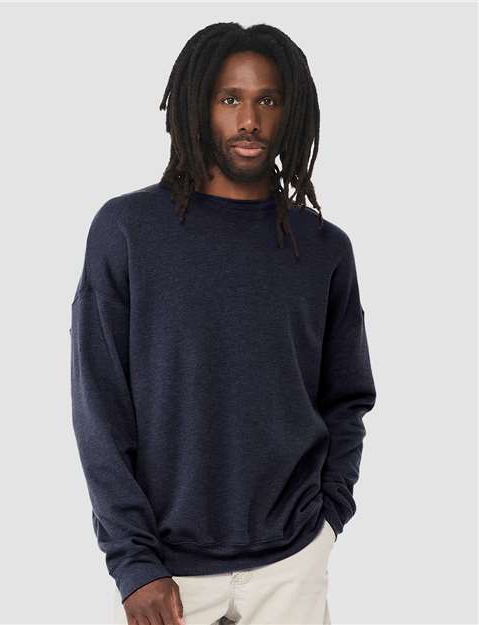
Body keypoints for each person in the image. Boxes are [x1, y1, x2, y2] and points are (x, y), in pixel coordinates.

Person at [70, 21, 377, 625]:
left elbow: (347, 398)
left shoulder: (324, 249)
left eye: (269, 100)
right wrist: (135, 564)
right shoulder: (128, 231)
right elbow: (99, 410)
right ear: (197, 105)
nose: (250, 121)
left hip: (292, 564)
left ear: (291, 111)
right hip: (167, 572)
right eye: (230, 99)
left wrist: (328, 520)